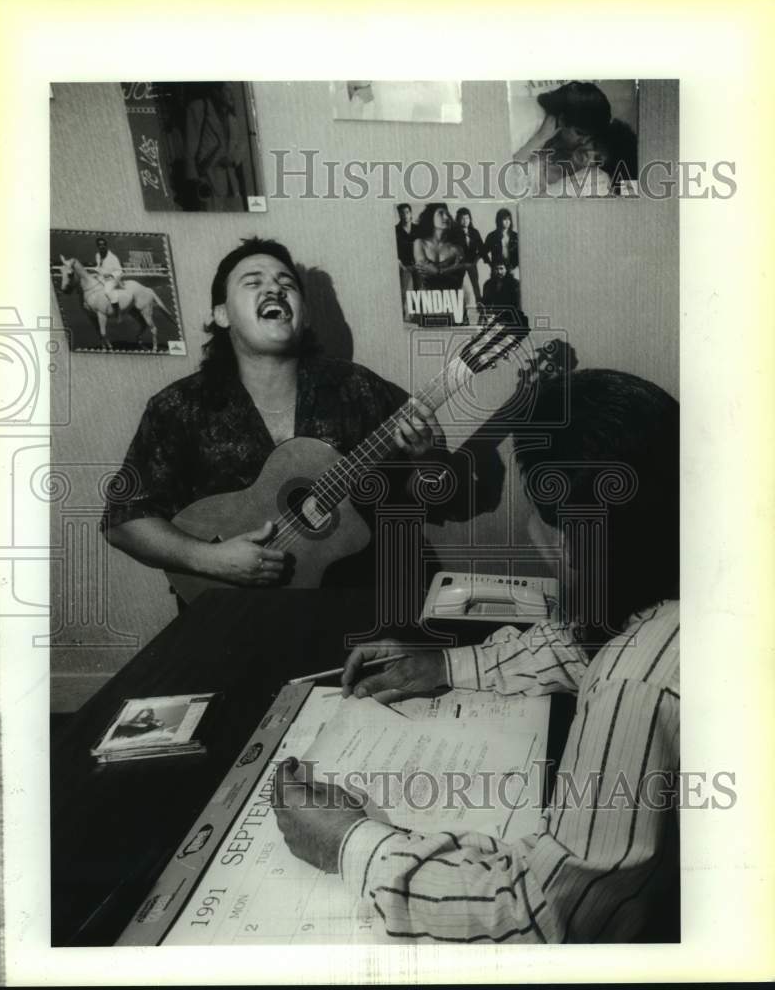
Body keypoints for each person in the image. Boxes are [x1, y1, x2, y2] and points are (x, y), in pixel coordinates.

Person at [274, 368, 680, 943]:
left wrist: (347, 841)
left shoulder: (636, 682)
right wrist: (444, 665)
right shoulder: (664, 588)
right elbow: (582, 643)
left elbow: (537, 918)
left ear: (566, 539)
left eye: (532, 509)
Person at [103, 237, 456, 593]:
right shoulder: (178, 407)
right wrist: (210, 559)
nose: (274, 288)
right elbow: (123, 521)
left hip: (357, 604)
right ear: (221, 314)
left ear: (304, 317)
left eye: (286, 284)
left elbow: (424, 502)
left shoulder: (357, 387)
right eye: (254, 282)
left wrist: (428, 461)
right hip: (231, 618)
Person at [183, 83, 245, 211]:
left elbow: (240, 143)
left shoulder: (232, 118)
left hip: (230, 183)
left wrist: (233, 160)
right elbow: (189, 148)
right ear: (216, 92)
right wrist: (195, 183)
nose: (232, 95)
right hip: (207, 180)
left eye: (233, 91)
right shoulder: (199, 108)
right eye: (227, 90)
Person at [451, 207, 485, 304]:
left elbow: (482, 248)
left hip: (471, 263)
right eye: (462, 218)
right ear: (458, 220)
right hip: (459, 265)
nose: (465, 221)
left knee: (476, 285)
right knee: (457, 285)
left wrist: (476, 260)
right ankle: (457, 306)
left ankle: (480, 307)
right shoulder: (454, 233)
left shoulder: (474, 232)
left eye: (467, 218)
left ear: (470, 219)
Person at [94, 236, 124, 322]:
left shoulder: (113, 258)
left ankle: (118, 312)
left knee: (108, 291)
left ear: (106, 246)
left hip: (112, 279)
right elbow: (99, 267)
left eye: (103, 245)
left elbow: (119, 271)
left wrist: (109, 276)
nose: (102, 246)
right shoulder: (97, 255)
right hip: (101, 277)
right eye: (99, 245)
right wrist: (95, 271)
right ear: (97, 246)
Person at [483, 208, 519, 274]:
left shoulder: (516, 236)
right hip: (497, 270)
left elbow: (521, 254)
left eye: (509, 219)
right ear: (499, 221)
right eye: (505, 219)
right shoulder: (492, 236)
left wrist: (515, 267)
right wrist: (491, 265)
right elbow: (483, 252)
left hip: (512, 269)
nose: (507, 221)